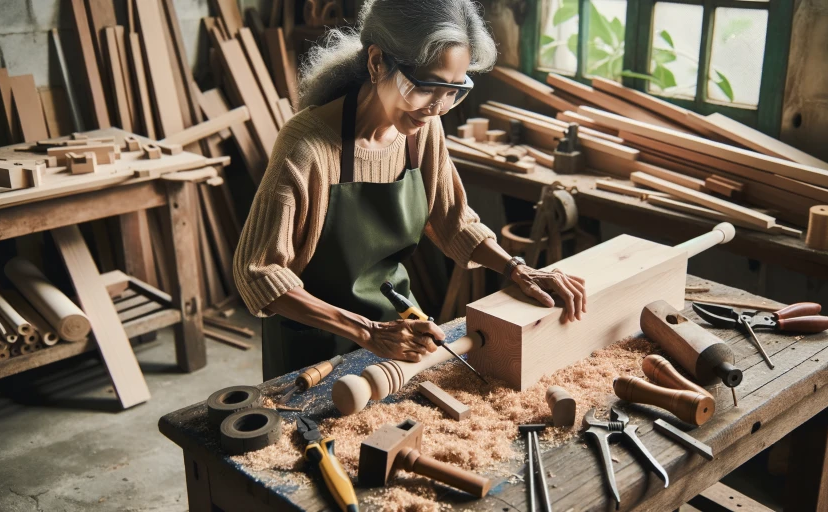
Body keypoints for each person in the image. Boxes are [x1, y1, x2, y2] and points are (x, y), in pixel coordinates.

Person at [234, 0, 587, 380]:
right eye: (427, 87)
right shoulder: (308, 147)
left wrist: (518, 270)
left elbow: (455, 222)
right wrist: (366, 331)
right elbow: (258, 271)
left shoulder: (422, 130)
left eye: (454, 90)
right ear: (376, 63)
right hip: (313, 346)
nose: (438, 107)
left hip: (398, 326)